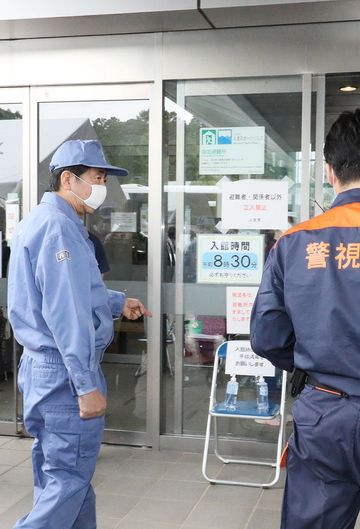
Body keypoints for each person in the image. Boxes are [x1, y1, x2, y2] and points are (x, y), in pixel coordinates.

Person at [8, 139, 151, 529]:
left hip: (44, 369)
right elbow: (66, 314)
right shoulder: (59, 230)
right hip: (63, 374)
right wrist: (86, 384)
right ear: (68, 179)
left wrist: (116, 301)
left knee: (67, 480)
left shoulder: (43, 222)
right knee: (67, 482)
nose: (103, 187)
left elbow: (68, 292)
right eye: (98, 178)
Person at [250, 108, 360, 529]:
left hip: (325, 411)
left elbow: (266, 335)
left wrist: (308, 364)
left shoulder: (294, 244)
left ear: (329, 171)